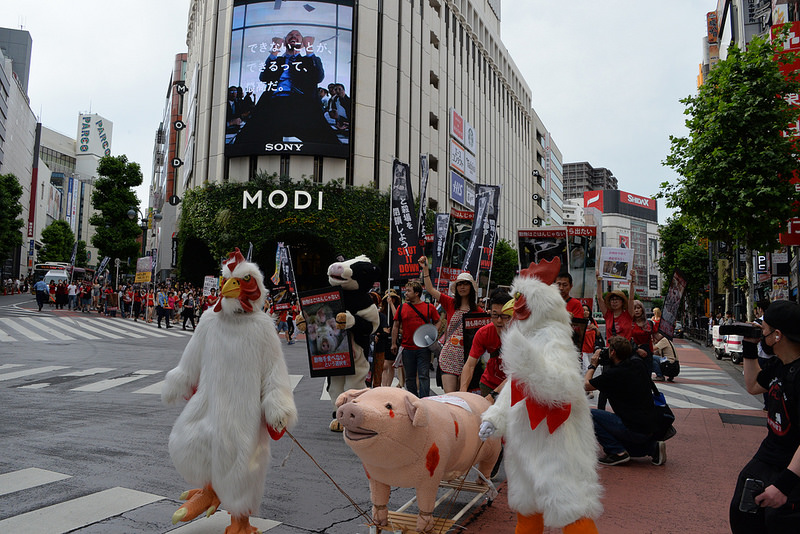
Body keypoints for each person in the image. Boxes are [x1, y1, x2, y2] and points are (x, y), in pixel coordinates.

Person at [728, 300, 800, 532]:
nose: (762, 333)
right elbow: (752, 385)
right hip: (769, 457)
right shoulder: (780, 365)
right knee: (744, 512)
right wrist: (750, 344)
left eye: (764, 329)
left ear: (777, 335)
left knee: (778, 522)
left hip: (793, 467)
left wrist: (784, 485)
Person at [234, 29, 341, 146]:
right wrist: (275, 50)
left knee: (330, 143)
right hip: (274, 104)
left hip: (303, 105)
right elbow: (264, 77)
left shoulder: (309, 60)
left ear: (303, 42)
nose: (293, 36)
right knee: (245, 140)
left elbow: (318, 77)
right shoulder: (277, 60)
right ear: (284, 43)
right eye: (290, 35)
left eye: (297, 35)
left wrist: (309, 48)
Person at [585, 336, 666, 466]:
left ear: (613, 352)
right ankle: (653, 448)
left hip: (632, 428)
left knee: (587, 415)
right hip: (650, 427)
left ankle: (617, 452)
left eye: (609, 349)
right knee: (628, 439)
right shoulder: (638, 364)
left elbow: (586, 384)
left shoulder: (614, 374)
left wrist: (593, 364)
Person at [418, 256, 481, 393]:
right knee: (450, 396)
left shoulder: (479, 311)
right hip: (449, 355)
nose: (462, 287)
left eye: (465, 284)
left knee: (463, 397)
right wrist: (425, 269)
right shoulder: (450, 303)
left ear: (471, 287)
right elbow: (430, 289)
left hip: (468, 359)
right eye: (459, 284)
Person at [459, 291, 514, 401]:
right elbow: (470, 364)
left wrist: (494, 395)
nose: (499, 320)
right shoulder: (483, 333)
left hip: (512, 386)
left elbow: (517, 374)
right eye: (495, 315)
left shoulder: (521, 336)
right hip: (488, 384)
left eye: (504, 316)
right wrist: (462, 393)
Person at [390, 281, 440, 398]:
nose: (405, 294)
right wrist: (393, 343)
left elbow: (438, 321)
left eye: (408, 291)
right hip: (407, 348)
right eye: (405, 291)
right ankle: (413, 400)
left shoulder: (429, 307)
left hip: (423, 348)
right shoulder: (401, 307)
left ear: (417, 293)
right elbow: (396, 326)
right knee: (409, 377)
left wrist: (433, 333)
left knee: (423, 375)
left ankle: (424, 400)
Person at [596, 270, 636, 341]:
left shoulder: (628, 314)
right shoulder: (608, 315)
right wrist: (598, 280)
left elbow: (631, 298)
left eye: (617, 299)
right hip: (611, 349)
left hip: (625, 350)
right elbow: (599, 298)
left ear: (622, 301)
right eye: (612, 299)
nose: (614, 302)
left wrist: (632, 281)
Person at [380, 289, 401, 387]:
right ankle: (384, 385)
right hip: (383, 339)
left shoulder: (398, 309)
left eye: (393, 298)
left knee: (390, 364)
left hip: (394, 338)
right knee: (384, 365)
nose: (390, 299)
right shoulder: (382, 311)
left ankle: (388, 385)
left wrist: (391, 305)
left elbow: (397, 317)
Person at [631, 299, 657, 379]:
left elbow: (657, 336)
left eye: (638, 308)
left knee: (647, 377)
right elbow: (626, 339)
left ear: (642, 309)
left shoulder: (649, 323)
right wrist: (637, 350)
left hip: (647, 353)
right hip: (633, 352)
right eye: (634, 308)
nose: (636, 310)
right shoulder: (629, 323)